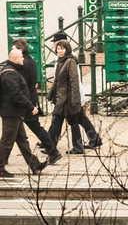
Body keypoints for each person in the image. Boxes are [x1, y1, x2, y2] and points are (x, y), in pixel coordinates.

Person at [48, 40, 101, 154]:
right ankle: (91, 140)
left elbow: (74, 82)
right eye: (58, 49)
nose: (59, 51)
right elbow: (57, 81)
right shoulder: (61, 61)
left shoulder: (70, 62)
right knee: (69, 120)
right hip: (62, 99)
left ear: (67, 49)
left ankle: (75, 146)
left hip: (68, 99)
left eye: (62, 49)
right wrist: (52, 94)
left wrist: (75, 100)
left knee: (71, 120)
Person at [0, 48, 46, 178]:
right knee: (7, 141)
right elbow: (16, 95)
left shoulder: (12, 71)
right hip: (11, 113)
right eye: (21, 57)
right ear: (14, 58)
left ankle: (34, 165)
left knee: (22, 141)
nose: (23, 59)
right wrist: (31, 106)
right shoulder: (9, 73)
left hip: (14, 113)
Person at [12, 40, 60, 163]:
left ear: (20, 50)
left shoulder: (22, 63)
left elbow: (21, 84)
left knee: (34, 128)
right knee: (17, 133)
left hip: (26, 102)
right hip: (30, 99)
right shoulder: (31, 61)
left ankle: (53, 151)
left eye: (14, 49)